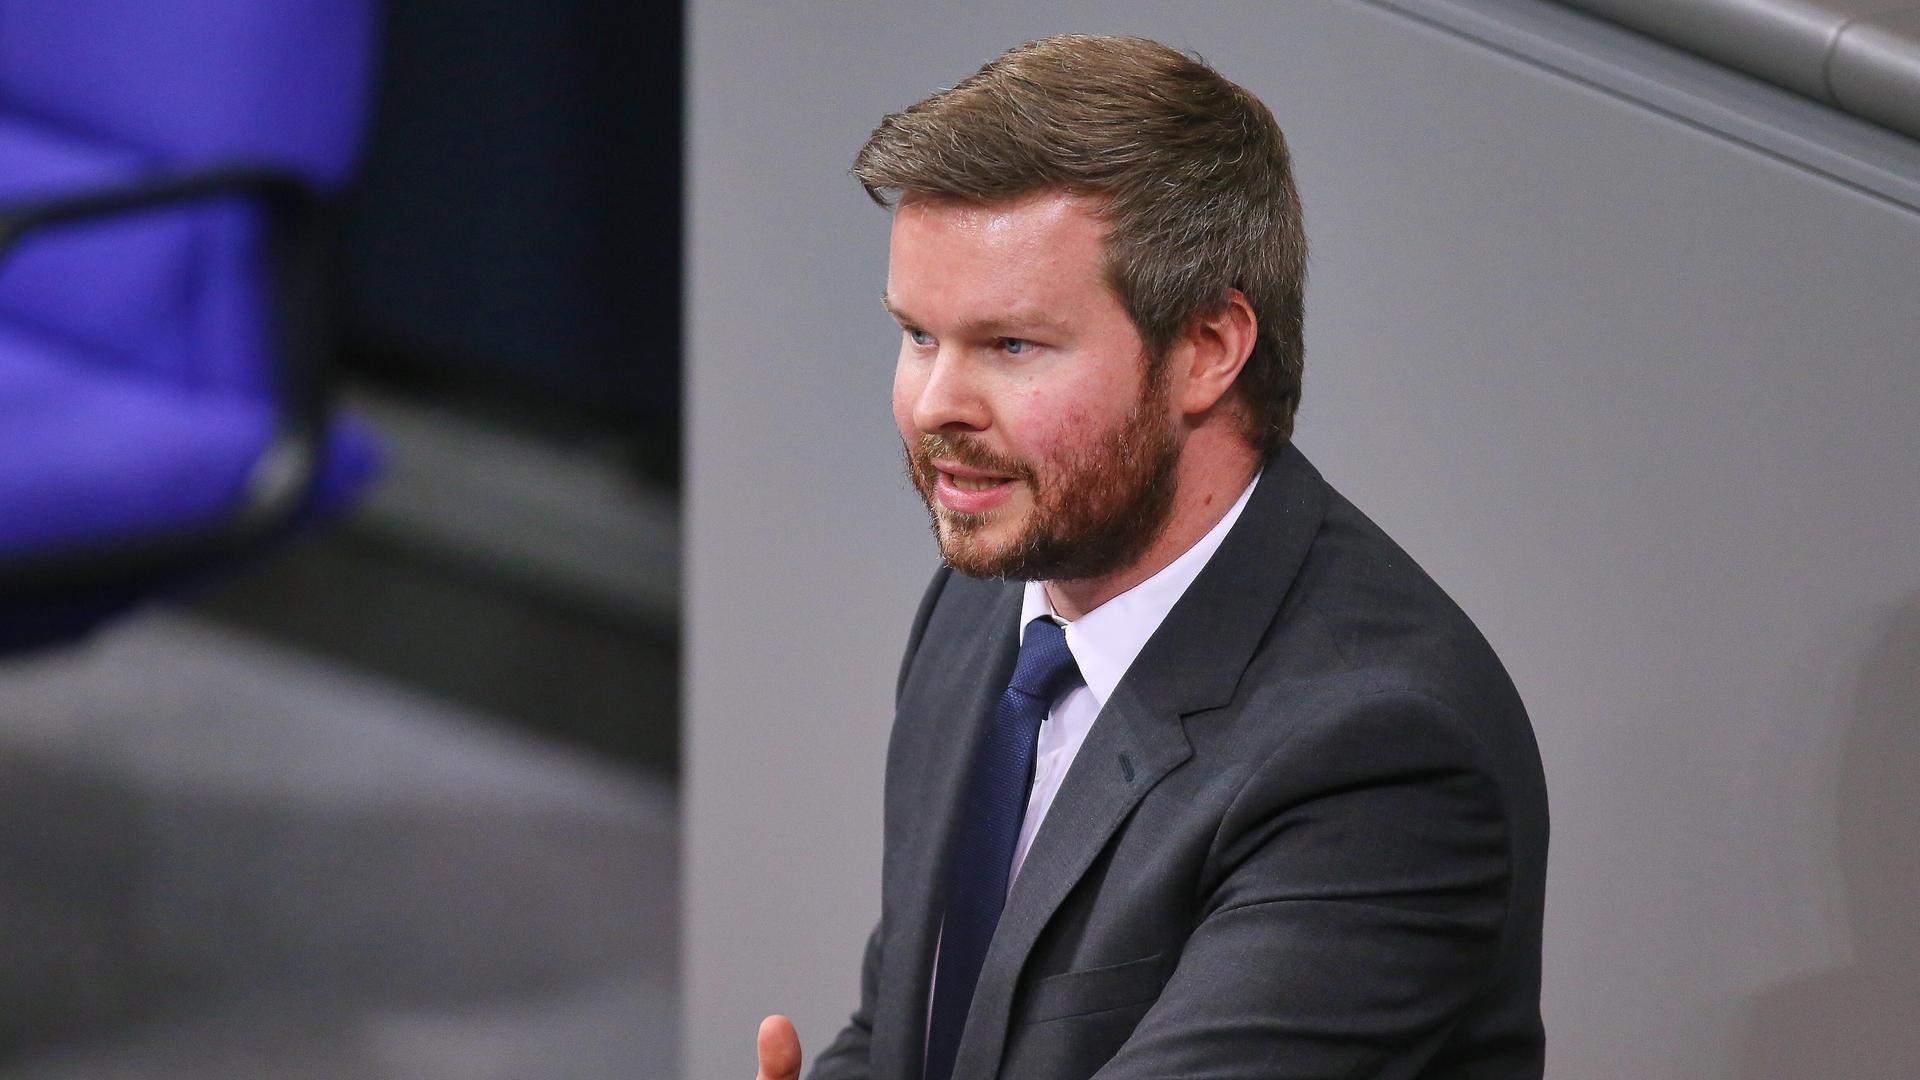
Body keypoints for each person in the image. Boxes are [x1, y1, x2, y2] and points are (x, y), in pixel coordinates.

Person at [755, 34, 1548, 1080]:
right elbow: (917, 1035)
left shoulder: (1379, 756)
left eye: (1011, 346)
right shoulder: (983, 605)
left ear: (1208, 349)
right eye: (916, 336)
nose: (935, 406)